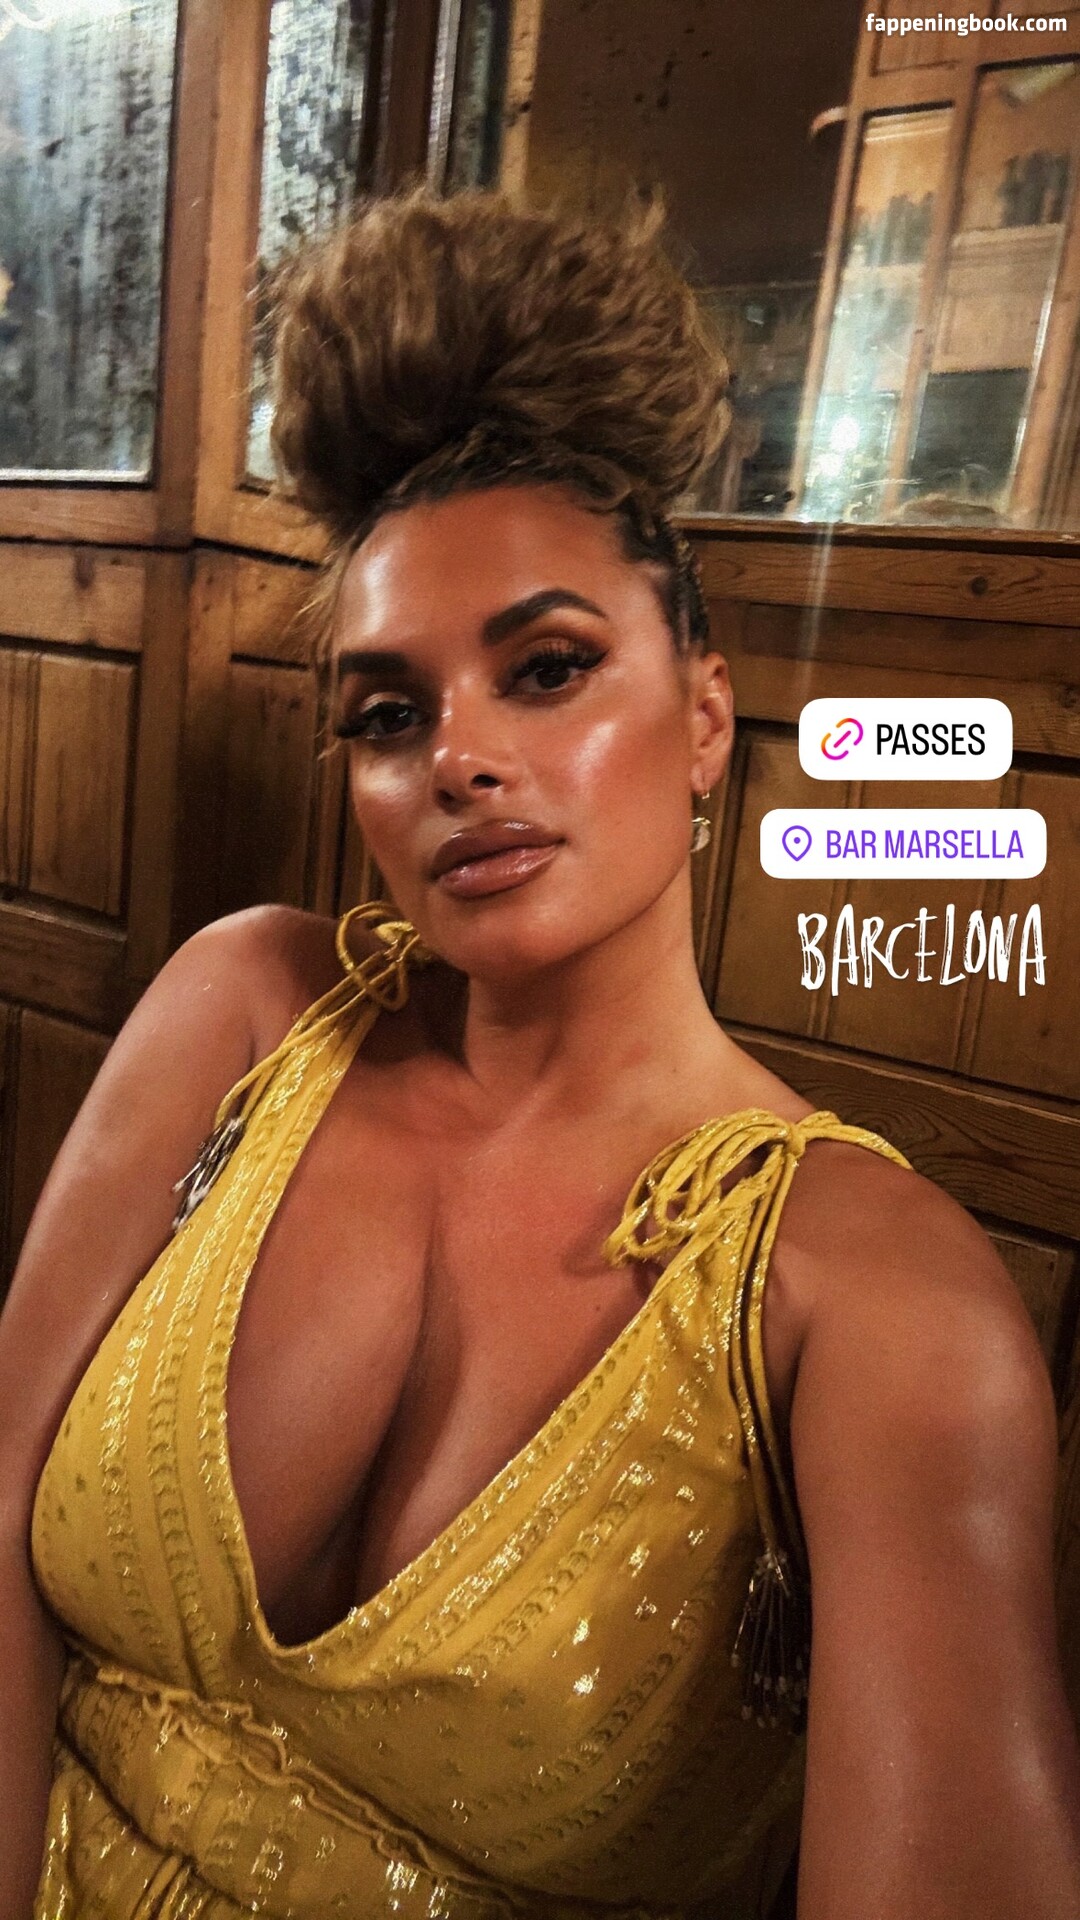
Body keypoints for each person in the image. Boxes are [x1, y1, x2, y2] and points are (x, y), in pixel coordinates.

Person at [1, 189, 1078, 1920]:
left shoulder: (875, 1303)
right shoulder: (245, 1009)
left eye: (549, 669)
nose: (460, 758)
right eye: (390, 713)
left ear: (706, 715)